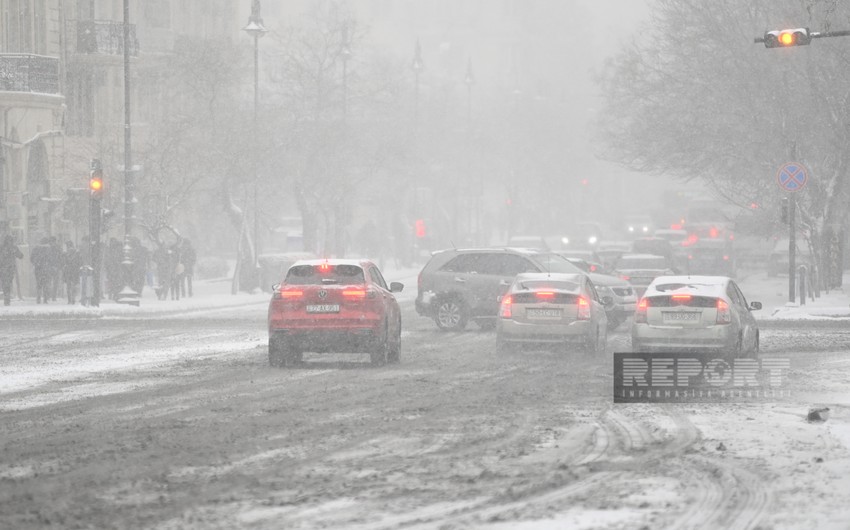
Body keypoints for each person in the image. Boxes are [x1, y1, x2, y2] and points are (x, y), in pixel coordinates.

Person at [0, 235, 23, 306]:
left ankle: (7, 297)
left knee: (7, 282)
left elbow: (21, 256)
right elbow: (20, 256)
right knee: (6, 283)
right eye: (10, 240)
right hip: (6, 267)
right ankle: (7, 297)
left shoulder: (11, 248)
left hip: (7, 268)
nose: (10, 242)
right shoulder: (5, 247)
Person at [30, 237, 52, 304]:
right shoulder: (49, 249)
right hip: (46, 268)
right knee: (46, 284)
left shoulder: (36, 249)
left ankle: (38, 298)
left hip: (38, 268)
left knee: (39, 284)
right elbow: (52, 259)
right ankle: (45, 299)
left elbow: (31, 258)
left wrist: (36, 263)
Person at [47, 236, 63, 301]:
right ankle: (53, 297)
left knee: (49, 282)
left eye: (51, 241)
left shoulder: (49, 248)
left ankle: (50, 296)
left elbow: (48, 258)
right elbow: (60, 257)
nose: (51, 243)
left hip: (51, 267)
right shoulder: (58, 248)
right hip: (55, 267)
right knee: (53, 283)